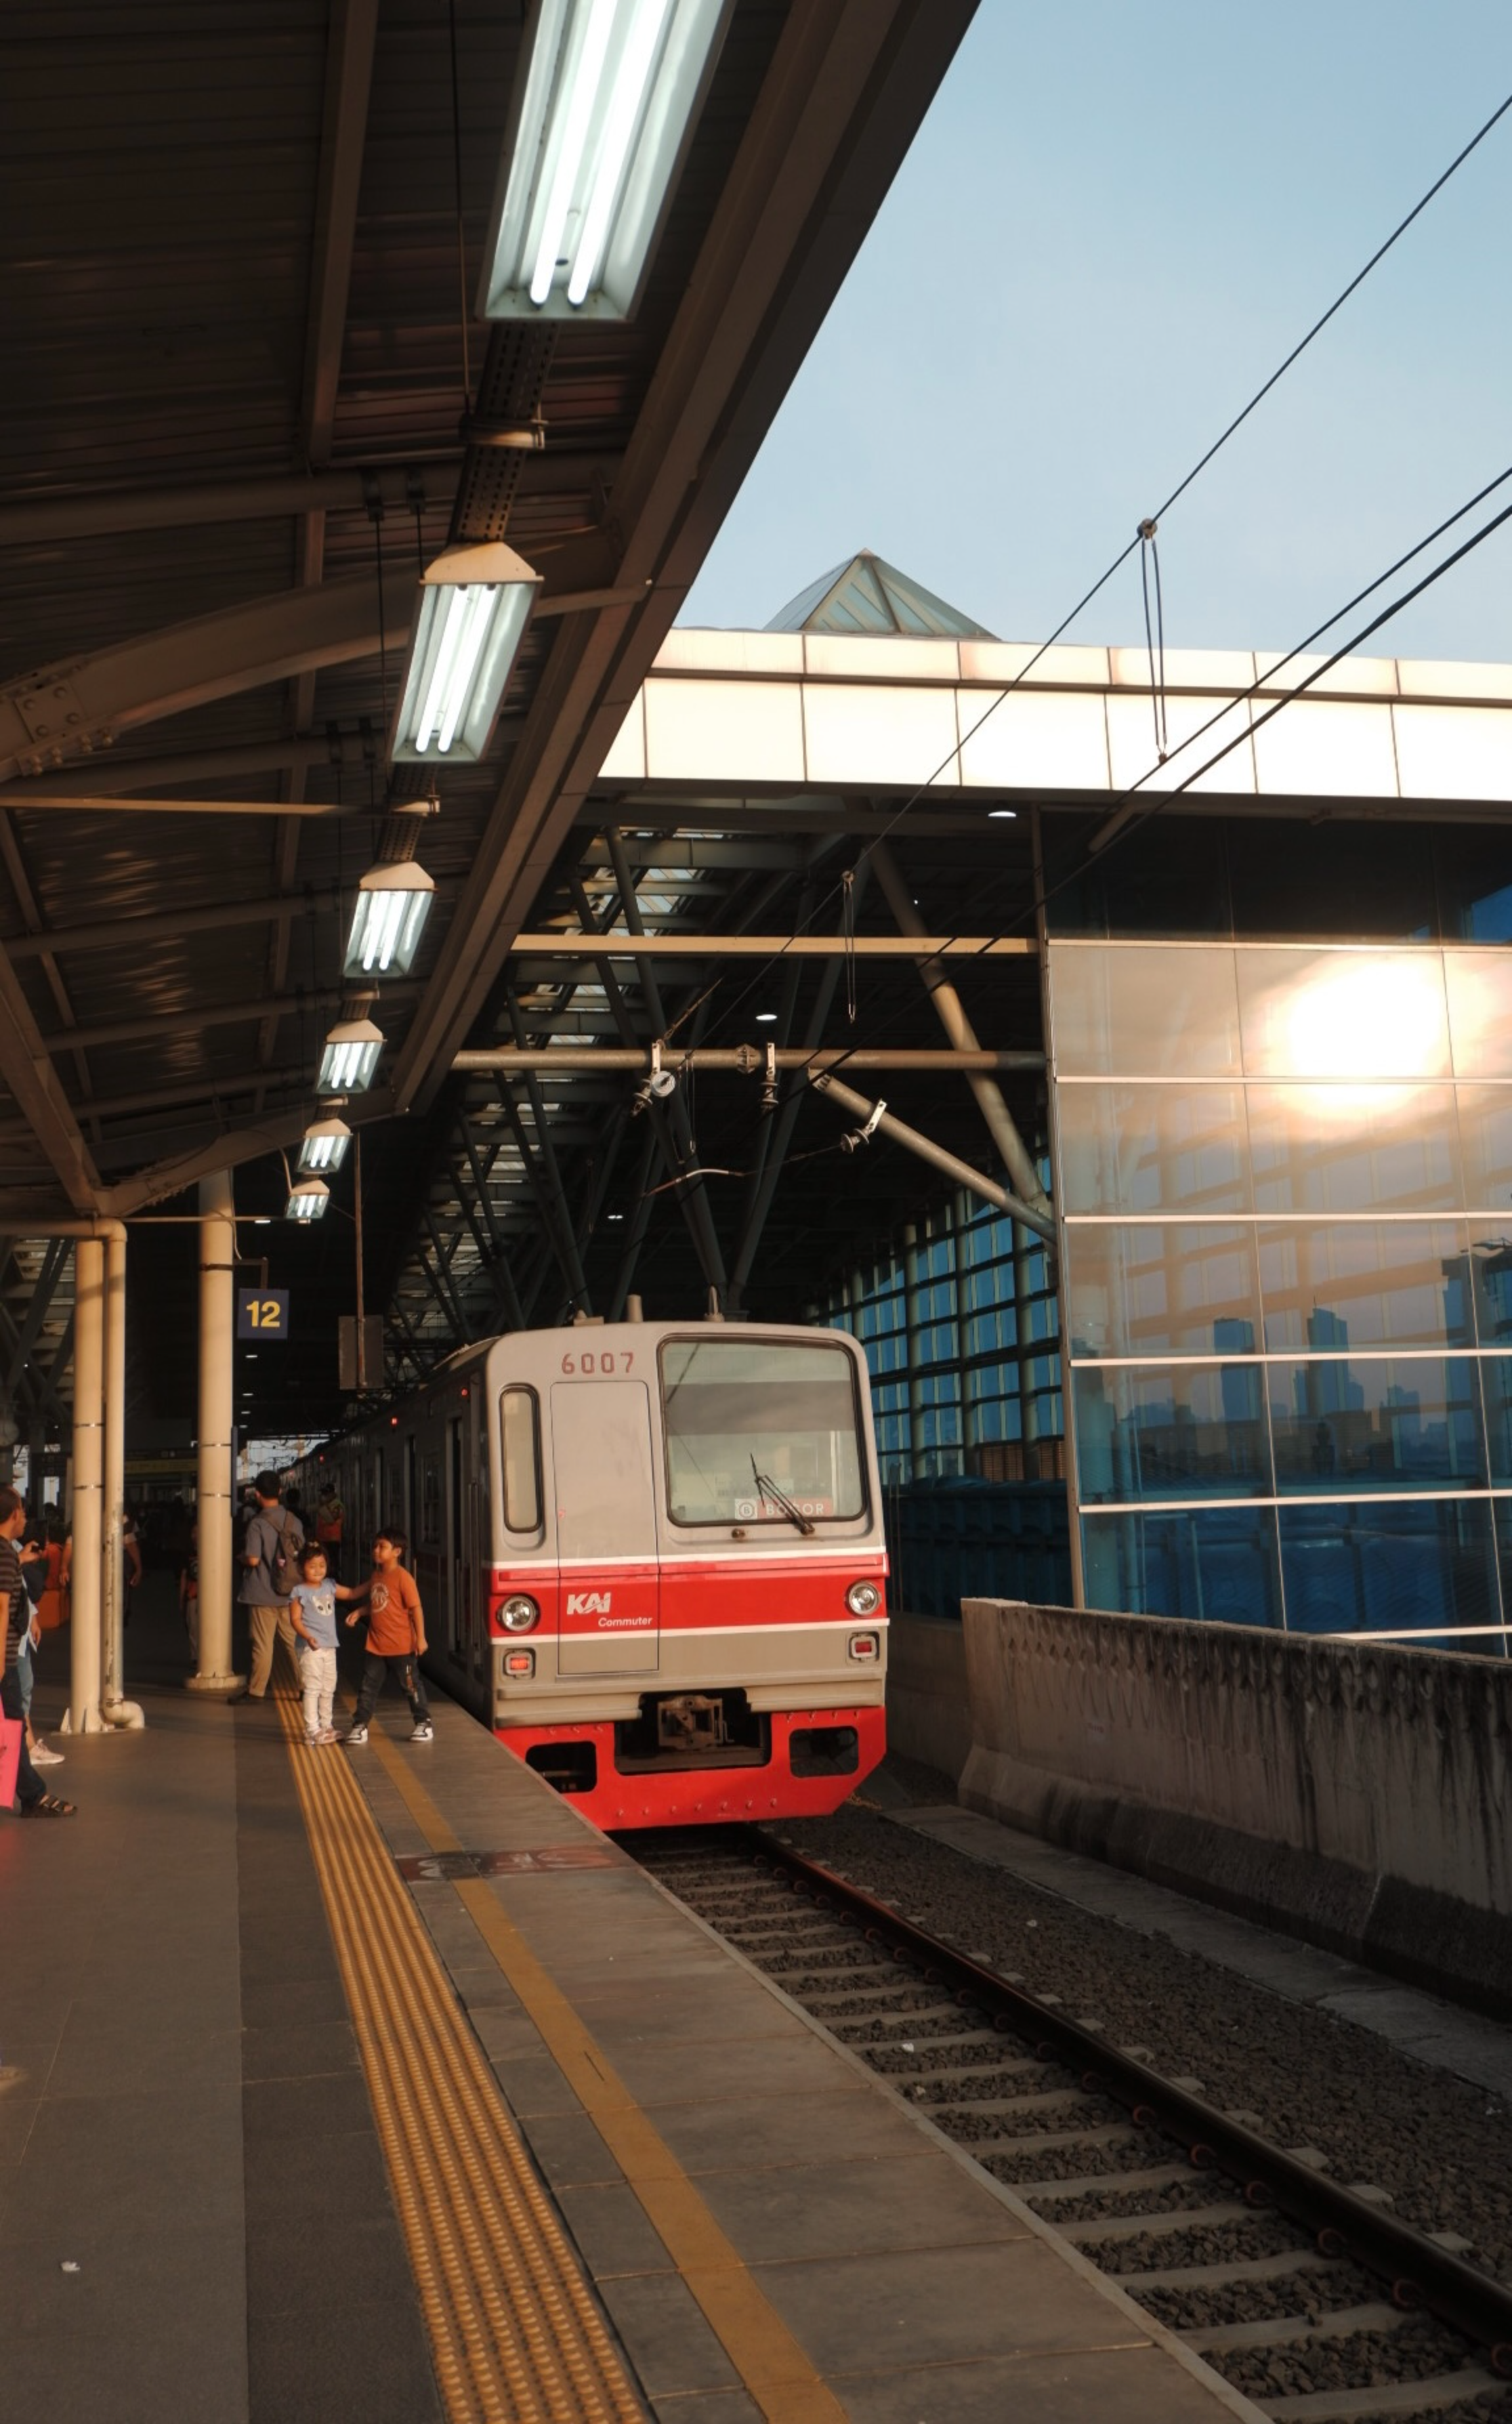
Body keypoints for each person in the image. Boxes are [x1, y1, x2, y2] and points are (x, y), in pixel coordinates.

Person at [0, 1488, 74, 1816]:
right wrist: (2, 1662)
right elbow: (1, 1609)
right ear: (14, 1514)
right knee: (13, 1726)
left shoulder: (5, 1554)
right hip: (4, 1659)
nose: (26, 1518)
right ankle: (33, 1796)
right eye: (24, 1512)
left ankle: (32, 1794)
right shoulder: (3, 1553)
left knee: (13, 1727)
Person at [344, 1529, 432, 1745]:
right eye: (375, 1546)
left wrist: (421, 1638)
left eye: (382, 1547)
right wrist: (361, 1612)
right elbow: (374, 1601)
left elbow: (416, 1608)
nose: (376, 1550)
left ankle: (424, 1723)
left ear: (397, 1552)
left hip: (402, 1646)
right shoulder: (376, 1575)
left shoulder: (403, 1578)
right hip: (376, 1645)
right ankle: (360, 1725)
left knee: (411, 1686)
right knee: (368, 1687)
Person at [231, 1471, 303, 1703]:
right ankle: (306, 1687)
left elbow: (253, 1559)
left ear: (258, 1495)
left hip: (263, 1593)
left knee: (263, 1646)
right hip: (291, 1594)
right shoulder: (294, 1521)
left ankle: (256, 1691)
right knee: (294, 1643)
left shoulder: (257, 1523)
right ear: (280, 1491)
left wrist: (241, 1557)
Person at [288, 1543, 368, 1745]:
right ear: (301, 1568)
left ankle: (327, 1726)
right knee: (313, 1687)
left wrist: (373, 1582)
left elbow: (351, 1594)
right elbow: (295, 1620)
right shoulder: (299, 1592)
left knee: (328, 1688)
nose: (318, 1570)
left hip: (330, 1646)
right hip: (310, 1648)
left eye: (322, 1565)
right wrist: (308, 1636)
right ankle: (312, 1729)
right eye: (312, 1566)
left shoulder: (330, 1586)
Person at [16, 1529, 62, 1770]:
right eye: (20, 1512)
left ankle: (28, 1745)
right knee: (19, 1690)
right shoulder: (10, 1550)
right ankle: (28, 1747)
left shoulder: (11, 1545)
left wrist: (32, 1618)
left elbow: (21, 1589)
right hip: (11, 1637)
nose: (24, 1519)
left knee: (22, 1688)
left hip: (18, 1634)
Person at [314, 1481, 345, 1581]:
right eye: (322, 1493)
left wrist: (321, 1507)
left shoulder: (337, 1505)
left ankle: (336, 1587)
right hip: (324, 1539)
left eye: (326, 1494)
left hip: (332, 1540)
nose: (323, 1496)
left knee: (332, 1566)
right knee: (327, 1564)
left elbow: (331, 1519)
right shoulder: (327, 1505)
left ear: (332, 1494)